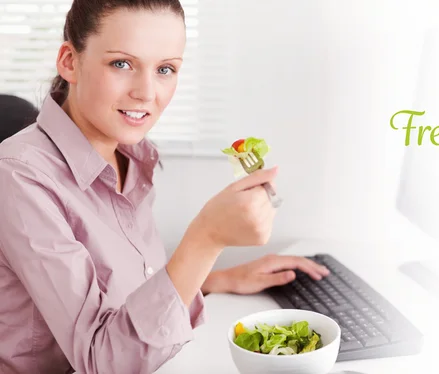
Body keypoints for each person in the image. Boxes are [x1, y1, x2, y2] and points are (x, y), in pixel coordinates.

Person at [0, 1, 329, 373]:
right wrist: (206, 239)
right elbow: (102, 359)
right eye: (121, 64)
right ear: (69, 61)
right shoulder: (18, 177)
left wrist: (215, 280)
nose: (146, 92)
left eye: (165, 69)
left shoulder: (132, 155)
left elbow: (122, 295)